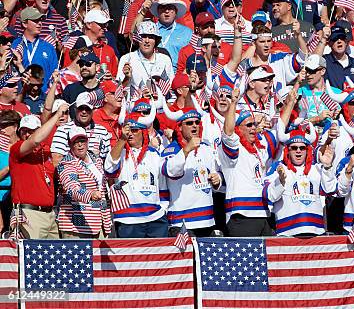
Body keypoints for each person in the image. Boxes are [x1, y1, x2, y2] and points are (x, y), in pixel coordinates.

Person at [218, 85, 278, 236]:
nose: (254, 128)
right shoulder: (234, 148)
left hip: (264, 214)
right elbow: (228, 131)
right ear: (239, 129)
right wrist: (233, 103)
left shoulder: (259, 148)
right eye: (249, 125)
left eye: (255, 125)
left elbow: (278, 136)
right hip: (242, 216)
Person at [264, 119, 337, 236]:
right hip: (288, 233)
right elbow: (269, 197)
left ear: (307, 150)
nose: (298, 151)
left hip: (316, 232)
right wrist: (280, 182)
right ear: (288, 151)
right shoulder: (278, 168)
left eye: (302, 148)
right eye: (294, 148)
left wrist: (327, 167)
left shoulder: (316, 168)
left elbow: (330, 190)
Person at [104, 109, 169, 238]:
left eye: (135, 131)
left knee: (158, 257)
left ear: (143, 133)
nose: (130, 134)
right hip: (127, 220)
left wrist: (163, 209)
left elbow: (162, 186)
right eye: (128, 131)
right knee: (131, 258)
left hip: (155, 218)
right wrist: (122, 139)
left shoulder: (154, 154)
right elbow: (108, 168)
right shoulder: (119, 152)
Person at [161, 105, 222, 236]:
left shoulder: (206, 148)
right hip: (182, 222)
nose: (194, 126)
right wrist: (186, 149)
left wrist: (217, 180)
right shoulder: (170, 150)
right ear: (180, 127)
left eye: (197, 122)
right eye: (189, 123)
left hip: (207, 220)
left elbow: (217, 173)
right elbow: (171, 172)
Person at [9, 105, 68, 239]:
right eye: (25, 131)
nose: (28, 134)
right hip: (29, 213)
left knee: (54, 257)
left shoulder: (47, 152)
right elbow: (35, 140)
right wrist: (57, 115)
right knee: (30, 256)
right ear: (19, 133)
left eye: (32, 130)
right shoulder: (16, 149)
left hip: (50, 214)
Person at [56, 126, 111, 239]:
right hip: (76, 226)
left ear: (87, 141)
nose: (80, 145)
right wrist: (90, 194)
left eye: (82, 140)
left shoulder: (96, 159)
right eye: (75, 142)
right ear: (70, 145)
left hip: (100, 222)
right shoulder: (66, 163)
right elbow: (72, 188)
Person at [51, 90, 111, 166]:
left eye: (87, 109)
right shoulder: (63, 130)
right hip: (72, 175)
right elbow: (56, 160)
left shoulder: (102, 131)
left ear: (93, 110)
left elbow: (106, 161)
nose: (84, 112)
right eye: (81, 108)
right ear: (75, 109)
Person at [116, 21, 175, 92]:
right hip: (135, 102)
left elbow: (171, 87)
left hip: (159, 101)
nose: (147, 41)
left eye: (150, 37)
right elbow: (118, 91)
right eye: (143, 37)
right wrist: (127, 78)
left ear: (156, 40)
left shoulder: (165, 59)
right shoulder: (126, 59)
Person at [11, 7, 58, 91]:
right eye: (35, 20)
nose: (40, 23)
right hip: (20, 95)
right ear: (24, 24)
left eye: (40, 20)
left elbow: (54, 73)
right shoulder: (15, 45)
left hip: (42, 97)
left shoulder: (49, 47)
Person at [150, 0, 192, 68]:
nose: (166, 11)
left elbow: (192, 57)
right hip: (153, 72)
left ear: (175, 11)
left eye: (170, 8)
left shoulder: (187, 32)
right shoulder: (150, 30)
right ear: (158, 11)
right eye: (163, 7)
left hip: (177, 74)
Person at [322, 22, 354, 88]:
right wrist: (323, 40)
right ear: (329, 43)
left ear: (346, 42)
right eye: (335, 38)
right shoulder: (324, 62)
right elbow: (313, 62)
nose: (339, 41)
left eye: (342, 38)